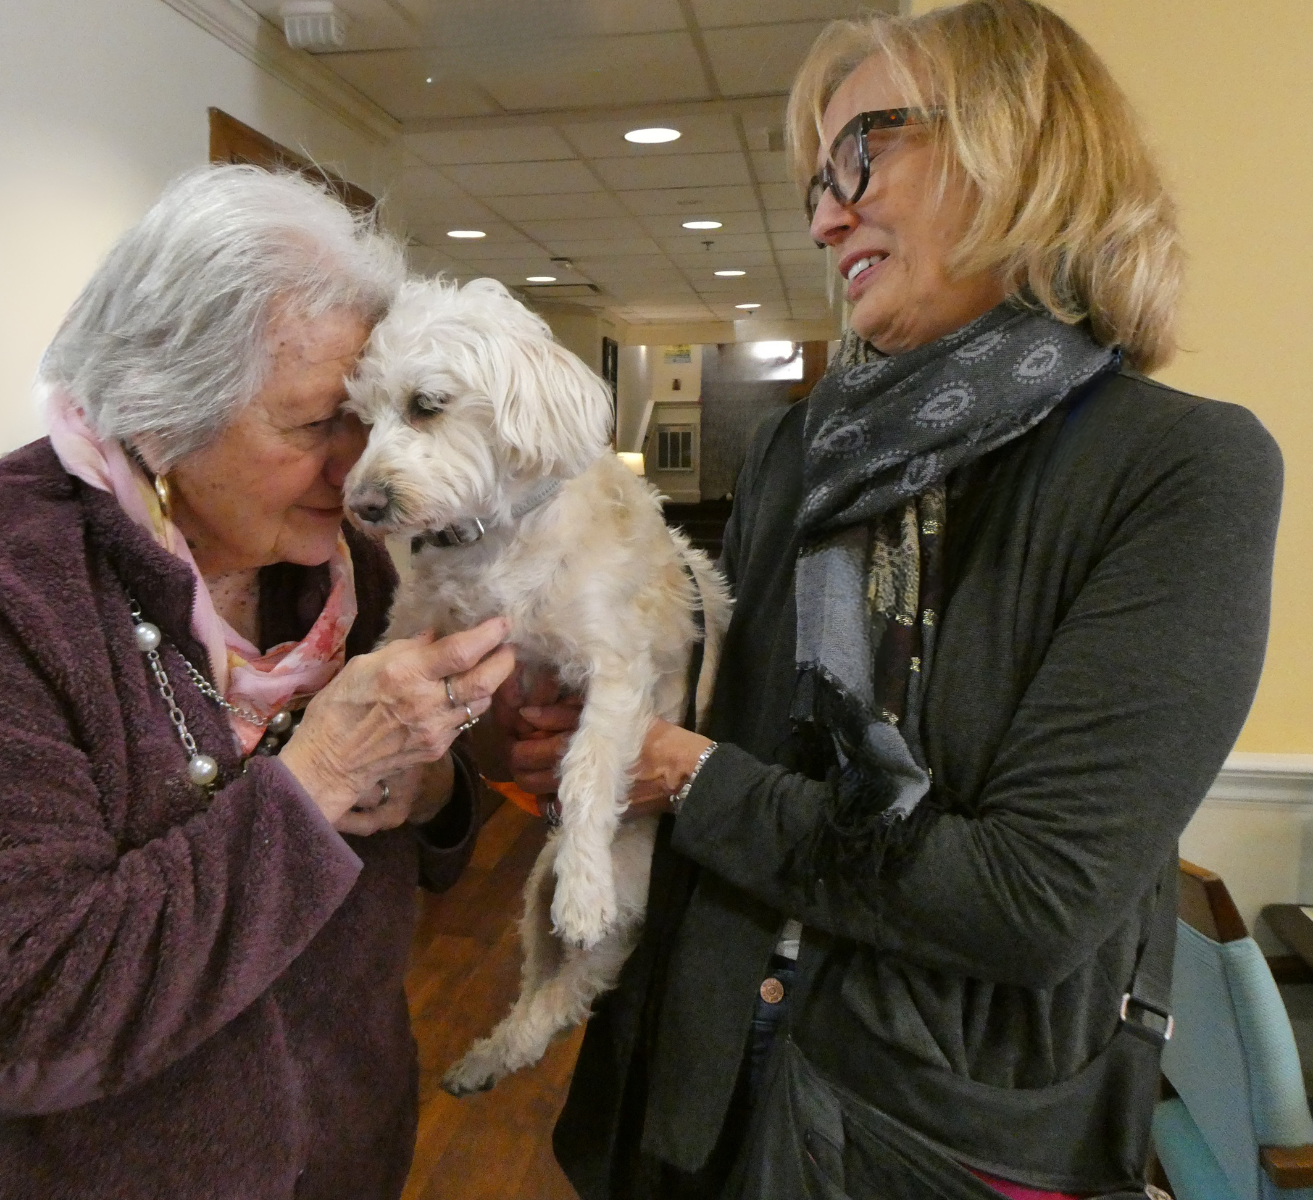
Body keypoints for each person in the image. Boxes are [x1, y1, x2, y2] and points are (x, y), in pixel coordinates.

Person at [494, 3, 1284, 1197]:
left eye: (863, 151)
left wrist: (687, 774)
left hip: (933, 1129)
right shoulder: (798, 448)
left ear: (1023, 147)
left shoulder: (1181, 471)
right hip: (692, 1078)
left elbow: (1030, 900)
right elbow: (726, 727)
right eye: (817, 176)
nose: (824, 212)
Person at [0, 166, 516, 1200]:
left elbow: (387, 819)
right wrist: (320, 771)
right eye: (312, 424)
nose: (359, 467)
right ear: (161, 411)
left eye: (368, 417)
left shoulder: (345, 567)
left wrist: (432, 789)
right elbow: (10, 1013)